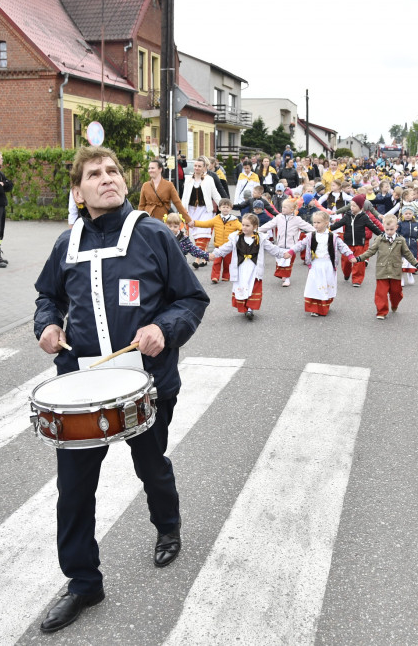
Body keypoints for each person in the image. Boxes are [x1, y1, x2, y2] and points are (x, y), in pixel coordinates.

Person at [33, 146, 209, 634]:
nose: (107, 178)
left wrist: (164, 330)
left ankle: (167, 526)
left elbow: (192, 299)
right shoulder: (66, 244)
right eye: (94, 174)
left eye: (112, 171)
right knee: (73, 491)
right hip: (80, 388)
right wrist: (46, 326)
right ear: (78, 190)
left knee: (151, 466)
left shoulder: (152, 234)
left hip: (146, 384)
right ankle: (83, 582)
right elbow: (47, 297)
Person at [211, 213, 286, 320]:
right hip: (240, 268)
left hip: (254, 269)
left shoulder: (261, 238)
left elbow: (272, 248)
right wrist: (214, 254)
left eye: (247, 225)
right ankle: (244, 308)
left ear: (255, 227)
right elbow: (225, 248)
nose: (244, 227)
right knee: (242, 286)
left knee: (253, 287)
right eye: (243, 225)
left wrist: (283, 254)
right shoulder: (236, 237)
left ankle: (250, 308)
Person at [288, 211, 355, 316]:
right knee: (315, 286)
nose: (316, 225)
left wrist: (350, 255)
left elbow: (342, 246)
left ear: (326, 223)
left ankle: (324, 306)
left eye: (318, 222)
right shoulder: (310, 236)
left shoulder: (333, 236)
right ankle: (314, 308)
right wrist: (291, 252)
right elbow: (301, 244)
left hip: (328, 265)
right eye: (314, 222)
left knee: (326, 286)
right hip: (315, 264)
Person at [355, 214, 418, 319]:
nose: (389, 232)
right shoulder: (379, 239)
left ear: (396, 228)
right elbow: (371, 251)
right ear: (383, 227)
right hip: (382, 271)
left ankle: (395, 304)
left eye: (391, 229)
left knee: (396, 293)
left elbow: (407, 254)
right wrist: (359, 258)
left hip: (395, 271)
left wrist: (416, 264)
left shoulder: (401, 240)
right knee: (381, 293)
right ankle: (381, 311)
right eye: (387, 229)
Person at [329, 193, 385, 287]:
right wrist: (328, 229)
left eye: (354, 206)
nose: (351, 207)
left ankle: (357, 280)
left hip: (360, 243)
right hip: (347, 243)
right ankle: (346, 273)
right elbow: (338, 224)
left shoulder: (364, 217)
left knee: (359, 262)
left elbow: (373, 227)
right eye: (351, 205)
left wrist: (382, 235)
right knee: (346, 262)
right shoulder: (347, 216)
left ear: (360, 207)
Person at [259, 198, 314, 287]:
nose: (283, 209)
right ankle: (284, 276)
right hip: (280, 245)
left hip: (291, 246)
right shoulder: (278, 218)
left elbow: (307, 226)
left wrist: (317, 231)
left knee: (288, 263)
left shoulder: (297, 219)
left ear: (292, 209)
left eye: (285, 207)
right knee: (280, 262)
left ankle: (287, 278)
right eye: (282, 207)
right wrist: (257, 230)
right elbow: (269, 225)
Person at [181, 156, 222, 267]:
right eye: (195, 166)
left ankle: (198, 259)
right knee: (195, 234)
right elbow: (184, 197)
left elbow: (215, 194)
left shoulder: (209, 179)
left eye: (199, 166)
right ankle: (203, 256)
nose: (197, 168)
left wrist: (223, 206)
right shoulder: (188, 179)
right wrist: (182, 210)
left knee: (202, 234)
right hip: (192, 210)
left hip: (205, 210)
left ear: (204, 168)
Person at [192, 198, 242, 284]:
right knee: (216, 262)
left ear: (231, 208)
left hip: (229, 247)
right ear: (219, 208)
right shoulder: (216, 219)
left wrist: (237, 237)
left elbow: (242, 228)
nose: (225, 209)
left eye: (227, 207)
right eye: (223, 207)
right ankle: (215, 277)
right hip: (218, 246)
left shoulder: (234, 220)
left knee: (228, 263)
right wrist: (195, 223)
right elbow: (206, 224)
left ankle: (226, 276)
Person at [139, 159, 190, 225]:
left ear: (160, 169)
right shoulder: (145, 185)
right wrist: (139, 220)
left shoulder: (169, 185)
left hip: (163, 218)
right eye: (149, 168)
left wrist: (188, 219)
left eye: (152, 168)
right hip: (148, 218)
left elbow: (177, 203)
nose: (150, 170)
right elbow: (141, 205)